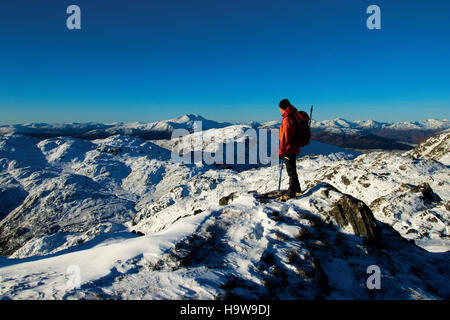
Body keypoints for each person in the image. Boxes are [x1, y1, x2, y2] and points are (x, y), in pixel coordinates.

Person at [278, 98, 302, 200]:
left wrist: (281, 151)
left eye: (279, 108)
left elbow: (285, 137)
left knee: (291, 171)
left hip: (288, 149)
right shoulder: (293, 116)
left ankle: (291, 193)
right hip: (294, 147)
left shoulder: (287, 119)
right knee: (293, 170)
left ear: (282, 108)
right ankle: (297, 190)